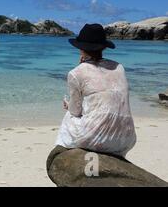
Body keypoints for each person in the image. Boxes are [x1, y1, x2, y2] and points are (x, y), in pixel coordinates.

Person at [56, 24, 137, 157]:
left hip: (96, 137)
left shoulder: (76, 73)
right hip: (127, 137)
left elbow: (75, 111)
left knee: (69, 117)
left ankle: (61, 156)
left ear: (81, 49)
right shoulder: (119, 67)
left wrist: (68, 106)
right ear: (104, 47)